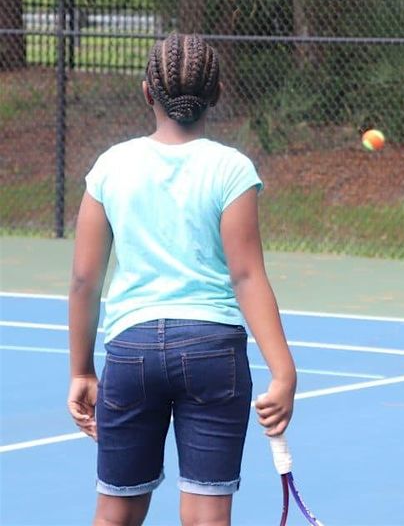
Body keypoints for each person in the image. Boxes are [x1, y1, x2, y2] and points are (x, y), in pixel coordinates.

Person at [67, 33, 297, 526]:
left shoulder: (110, 167)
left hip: (131, 352)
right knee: (207, 518)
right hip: (213, 351)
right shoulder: (231, 168)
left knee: (114, 515)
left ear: (148, 92)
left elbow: (85, 281)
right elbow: (246, 274)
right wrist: (284, 371)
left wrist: (82, 370)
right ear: (216, 93)